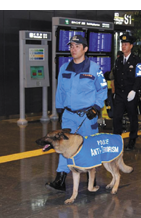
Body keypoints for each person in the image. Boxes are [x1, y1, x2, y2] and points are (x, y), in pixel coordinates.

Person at [46, 35, 108, 192]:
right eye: (71, 46)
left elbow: (102, 90)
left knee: (89, 146)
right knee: (63, 145)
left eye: (77, 46)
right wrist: (60, 110)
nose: (73, 49)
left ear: (85, 49)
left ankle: (91, 180)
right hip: (69, 115)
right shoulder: (64, 68)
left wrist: (96, 107)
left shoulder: (94, 68)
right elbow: (59, 91)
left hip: (88, 116)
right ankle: (60, 179)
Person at [112, 33, 141, 151]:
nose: (123, 46)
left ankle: (132, 140)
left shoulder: (137, 60)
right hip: (120, 94)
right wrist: (115, 92)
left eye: (126, 44)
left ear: (131, 46)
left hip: (131, 93)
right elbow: (116, 77)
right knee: (117, 117)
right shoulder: (119, 60)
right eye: (122, 44)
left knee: (132, 117)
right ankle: (117, 140)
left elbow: (139, 77)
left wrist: (134, 91)